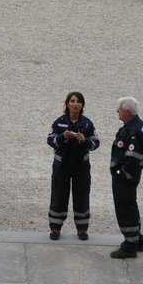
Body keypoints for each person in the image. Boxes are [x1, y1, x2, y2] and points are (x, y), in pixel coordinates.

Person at [46, 91, 99, 239]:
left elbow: (95, 143)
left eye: (78, 102)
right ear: (67, 104)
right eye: (72, 101)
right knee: (58, 194)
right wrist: (63, 136)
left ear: (83, 105)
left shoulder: (87, 124)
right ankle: (55, 228)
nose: (75, 104)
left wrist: (85, 140)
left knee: (82, 195)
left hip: (81, 167)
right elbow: (50, 140)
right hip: (61, 166)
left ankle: (82, 229)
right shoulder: (59, 122)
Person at [109, 96, 143, 259]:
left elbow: (133, 157)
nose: (117, 111)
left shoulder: (132, 131)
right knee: (131, 206)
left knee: (125, 209)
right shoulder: (137, 126)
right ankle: (137, 240)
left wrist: (121, 174)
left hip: (125, 178)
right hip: (130, 177)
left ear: (127, 112)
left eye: (119, 109)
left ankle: (129, 245)